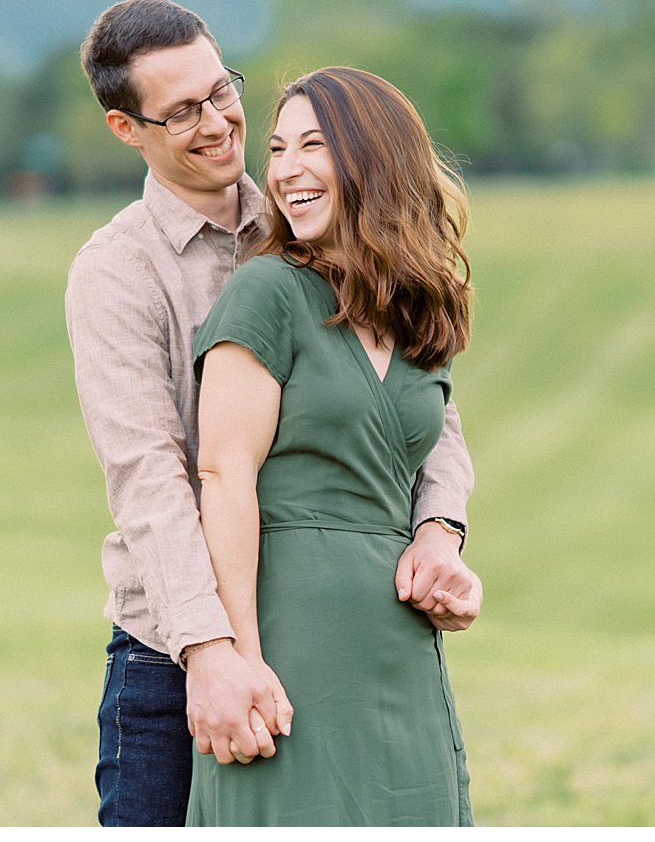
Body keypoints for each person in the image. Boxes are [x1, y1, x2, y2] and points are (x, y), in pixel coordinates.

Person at [64, 0, 481, 826]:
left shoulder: (313, 221)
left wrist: (439, 529)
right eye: (182, 111)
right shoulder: (117, 272)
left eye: (222, 91)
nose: (219, 123)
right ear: (126, 128)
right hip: (173, 643)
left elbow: (423, 403)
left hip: (323, 633)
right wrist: (214, 651)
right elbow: (152, 479)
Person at [185, 67, 475, 826]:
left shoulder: (417, 313)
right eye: (277, 148)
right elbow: (223, 474)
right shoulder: (267, 291)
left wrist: (442, 543)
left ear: (375, 160)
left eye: (314, 145)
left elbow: (435, 457)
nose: (284, 170)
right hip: (289, 636)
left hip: (396, 648)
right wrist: (239, 655)